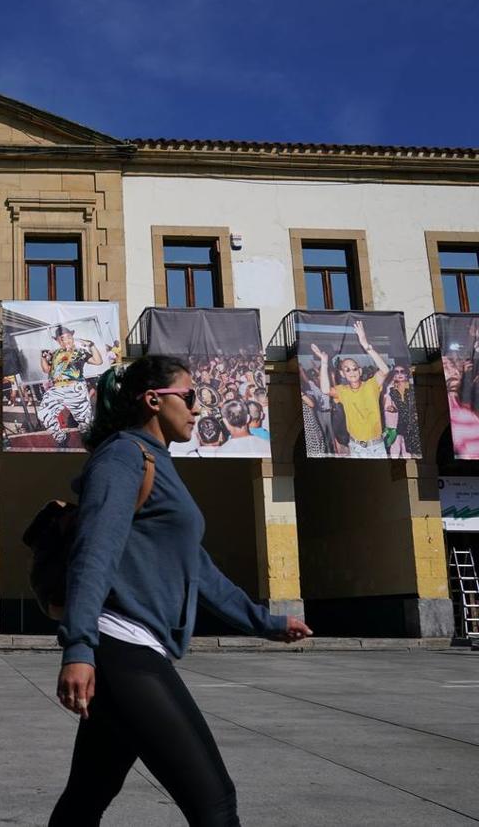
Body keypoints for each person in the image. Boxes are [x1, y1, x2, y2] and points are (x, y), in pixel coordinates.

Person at [51, 355, 312, 826]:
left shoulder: (158, 463)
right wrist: (79, 646)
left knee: (86, 797)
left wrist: (266, 622)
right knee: (214, 801)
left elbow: (199, 570)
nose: (197, 409)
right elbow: (95, 552)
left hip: (132, 646)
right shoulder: (123, 456)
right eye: (189, 397)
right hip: (120, 646)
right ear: (153, 400)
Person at [311, 321, 390, 458]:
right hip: (356, 447)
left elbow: (384, 370)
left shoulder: (371, 385)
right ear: (343, 374)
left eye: (354, 368)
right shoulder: (343, 391)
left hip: (377, 446)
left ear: (359, 371)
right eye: (347, 370)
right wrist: (324, 362)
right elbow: (325, 389)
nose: (351, 372)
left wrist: (366, 345)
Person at [38, 324, 104, 448]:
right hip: (56, 388)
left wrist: (91, 345)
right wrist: (42, 357)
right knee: (43, 413)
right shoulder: (55, 353)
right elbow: (46, 370)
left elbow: (98, 361)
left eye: (68, 337)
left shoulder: (79, 352)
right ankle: (61, 437)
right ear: (57, 341)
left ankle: (89, 442)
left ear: (72, 337)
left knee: (85, 421)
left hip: (75, 387)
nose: (65, 340)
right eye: (61, 339)